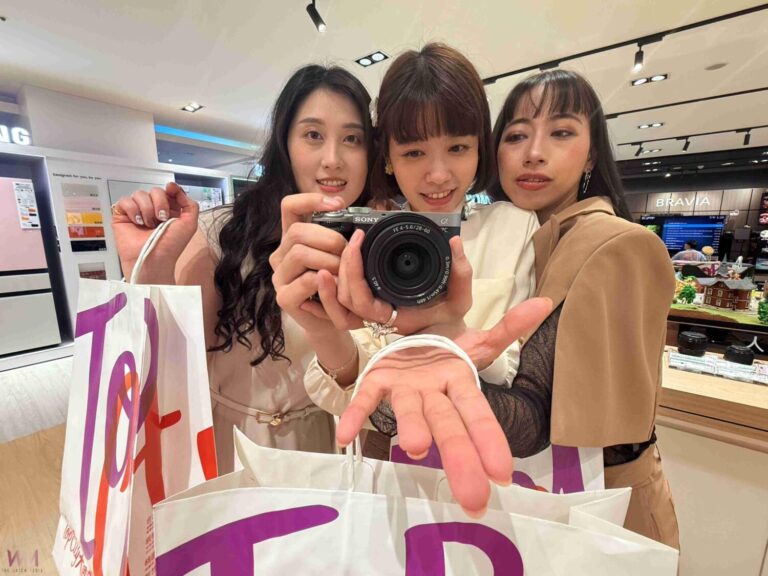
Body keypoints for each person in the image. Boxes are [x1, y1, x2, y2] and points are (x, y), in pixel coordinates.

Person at [335, 69, 680, 548]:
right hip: (477, 489)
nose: (534, 153)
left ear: (592, 153)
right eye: (516, 136)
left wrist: (450, 349)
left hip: (599, 498)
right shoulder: (513, 231)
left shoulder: (611, 243)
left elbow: (560, 418)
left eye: (561, 133)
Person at [270, 43, 547, 514]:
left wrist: (452, 334)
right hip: (386, 465)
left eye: (458, 147)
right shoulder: (365, 238)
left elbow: (513, 368)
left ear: (479, 148)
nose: (438, 174)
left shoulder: (512, 226)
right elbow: (350, 394)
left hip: (490, 456)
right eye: (414, 151)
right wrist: (322, 328)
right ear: (389, 158)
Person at [110, 64, 374, 473]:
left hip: (327, 448)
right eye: (313, 135)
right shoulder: (223, 232)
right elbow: (173, 360)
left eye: (352, 139)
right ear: (285, 144)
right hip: (231, 447)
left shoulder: (378, 242)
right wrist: (150, 266)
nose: (333, 159)